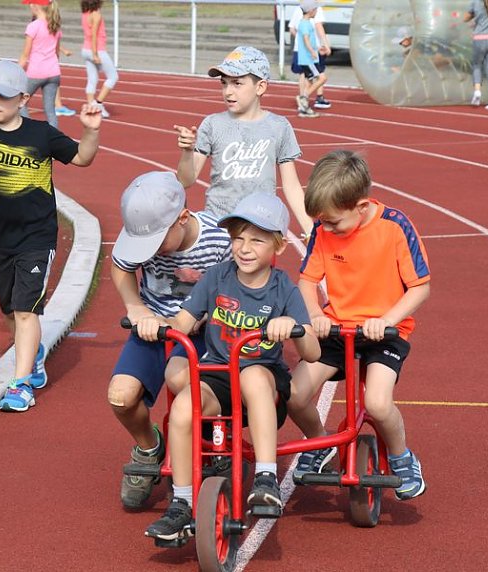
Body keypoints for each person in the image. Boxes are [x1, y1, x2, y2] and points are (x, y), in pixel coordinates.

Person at [140, 192, 321, 540]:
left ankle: (266, 477)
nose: (245, 248)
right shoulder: (217, 277)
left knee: (252, 375)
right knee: (183, 408)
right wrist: (157, 324)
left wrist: (293, 329)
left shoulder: (283, 287)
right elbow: (183, 321)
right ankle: (181, 502)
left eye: (257, 240)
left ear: (279, 245)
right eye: (238, 238)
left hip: (264, 383)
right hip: (220, 375)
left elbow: (312, 352)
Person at [287, 150, 430, 501]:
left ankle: (401, 456)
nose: (326, 229)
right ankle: (320, 443)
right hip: (337, 328)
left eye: (334, 222)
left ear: (361, 206)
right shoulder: (323, 229)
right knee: (293, 394)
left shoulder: (394, 226)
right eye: (322, 222)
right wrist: (316, 315)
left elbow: (420, 287)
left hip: (386, 332)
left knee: (378, 404)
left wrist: (387, 320)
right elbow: (307, 281)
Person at [0, 60, 102, 412]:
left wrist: (90, 131)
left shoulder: (41, 134)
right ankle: (33, 354)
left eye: (3, 96)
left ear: (23, 99)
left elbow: (82, 158)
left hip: (38, 237)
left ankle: (20, 385)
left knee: (26, 311)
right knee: (10, 310)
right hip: (0, 239)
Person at [110, 171, 232, 509]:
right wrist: (135, 307)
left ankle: (214, 441)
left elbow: (238, 285)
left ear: (183, 218)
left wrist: (210, 314)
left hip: (205, 331)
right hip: (156, 326)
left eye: (157, 242)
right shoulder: (141, 230)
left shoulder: (219, 238)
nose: (151, 252)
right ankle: (149, 448)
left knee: (187, 385)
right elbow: (121, 267)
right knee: (121, 397)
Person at [173, 46, 315, 239]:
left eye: (237, 83)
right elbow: (186, 181)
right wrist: (187, 151)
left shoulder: (279, 126)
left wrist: (310, 230)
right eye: (224, 83)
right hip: (218, 228)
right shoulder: (212, 124)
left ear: (260, 87)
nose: (228, 92)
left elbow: (291, 186)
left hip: (260, 228)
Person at [19, 0, 65, 128]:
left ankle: (30, 131)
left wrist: (15, 71)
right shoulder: (55, 25)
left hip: (36, 72)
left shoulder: (33, 26)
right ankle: (54, 137)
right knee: (50, 110)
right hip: (53, 72)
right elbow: (57, 53)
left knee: (19, 102)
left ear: (35, 6)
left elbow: (25, 54)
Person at [289, 0, 327, 118]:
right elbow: (306, 39)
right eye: (316, 9)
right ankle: (303, 97)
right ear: (311, 11)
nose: (317, 11)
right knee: (322, 78)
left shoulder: (305, 22)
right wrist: (312, 51)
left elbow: (308, 39)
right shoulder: (305, 24)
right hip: (308, 59)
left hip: (308, 58)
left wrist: (318, 48)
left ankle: (304, 109)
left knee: (309, 81)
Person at [81, 0, 118, 118]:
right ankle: (98, 103)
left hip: (85, 49)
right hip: (97, 50)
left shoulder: (85, 13)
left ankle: (91, 106)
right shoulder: (96, 15)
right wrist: (95, 54)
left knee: (92, 79)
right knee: (113, 77)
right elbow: (94, 35)